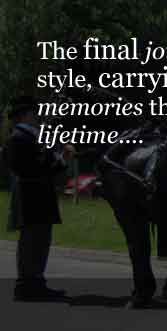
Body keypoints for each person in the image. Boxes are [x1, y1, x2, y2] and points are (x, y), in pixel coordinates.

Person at [4, 96, 73, 301]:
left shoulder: (33, 137)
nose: (38, 117)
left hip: (39, 195)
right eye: (34, 113)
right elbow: (30, 168)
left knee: (41, 241)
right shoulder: (18, 138)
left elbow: (46, 163)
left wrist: (61, 159)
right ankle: (26, 285)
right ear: (24, 115)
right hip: (30, 196)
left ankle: (36, 282)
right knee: (31, 242)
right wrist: (60, 160)